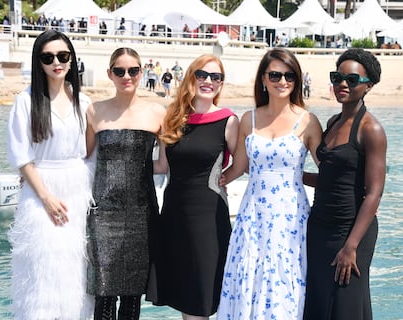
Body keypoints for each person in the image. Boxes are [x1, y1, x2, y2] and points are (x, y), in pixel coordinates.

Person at [216, 47, 322, 319]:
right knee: (248, 279)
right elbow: (239, 166)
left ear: (297, 80)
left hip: (291, 219)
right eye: (275, 75)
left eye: (289, 76)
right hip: (253, 217)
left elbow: (329, 171)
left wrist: (360, 194)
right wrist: (215, 178)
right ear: (263, 79)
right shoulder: (248, 119)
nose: (282, 81)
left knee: (286, 282)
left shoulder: (308, 121)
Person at [6, 29, 93, 319]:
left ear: (71, 59)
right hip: (40, 191)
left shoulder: (85, 102)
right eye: (48, 57)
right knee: (41, 270)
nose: (56, 62)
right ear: (38, 61)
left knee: (74, 271)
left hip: (78, 192)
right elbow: (22, 157)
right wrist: (46, 198)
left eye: (63, 55)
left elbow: (90, 154)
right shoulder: (26, 101)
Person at [146, 54, 239, 319]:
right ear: (191, 77)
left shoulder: (228, 121)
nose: (208, 81)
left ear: (221, 84)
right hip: (174, 216)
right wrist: (124, 163)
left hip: (208, 219)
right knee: (187, 299)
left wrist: (226, 177)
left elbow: (243, 163)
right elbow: (162, 165)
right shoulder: (173, 118)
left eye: (215, 77)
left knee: (201, 299)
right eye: (202, 75)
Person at [303, 48, 387, 320]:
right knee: (317, 302)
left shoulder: (370, 130)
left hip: (351, 231)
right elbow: (331, 180)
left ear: (368, 86)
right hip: (319, 228)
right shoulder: (332, 122)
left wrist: (350, 247)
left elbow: (373, 194)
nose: (342, 84)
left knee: (346, 306)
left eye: (351, 80)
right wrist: (292, 177)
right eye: (337, 77)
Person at [85, 47, 166, 319]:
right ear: (110, 74)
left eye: (133, 70)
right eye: (119, 71)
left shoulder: (157, 112)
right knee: (104, 293)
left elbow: (165, 165)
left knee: (132, 297)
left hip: (141, 212)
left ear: (142, 73)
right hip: (103, 212)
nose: (126, 76)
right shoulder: (95, 111)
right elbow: (83, 158)